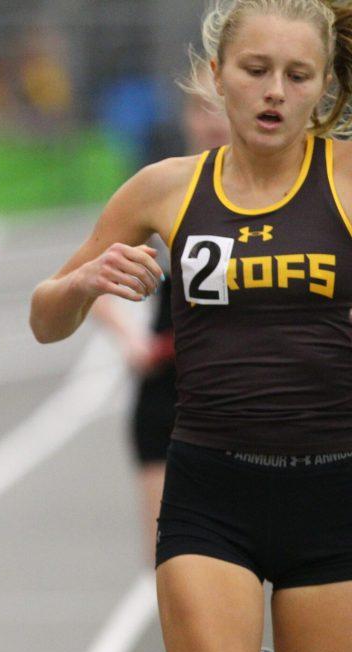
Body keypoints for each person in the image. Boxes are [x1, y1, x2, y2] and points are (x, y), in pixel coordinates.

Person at [29, 2, 352, 652]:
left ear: (323, 89)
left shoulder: (345, 183)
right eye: (255, 71)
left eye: (297, 75)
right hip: (212, 494)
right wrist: (83, 281)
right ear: (217, 78)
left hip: (333, 496)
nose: (274, 92)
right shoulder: (166, 191)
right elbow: (45, 318)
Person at [90, 78, 230, 560]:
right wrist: (130, 343)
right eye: (199, 109)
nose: (210, 121)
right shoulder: (158, 193)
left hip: (234, 391)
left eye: (219, 109)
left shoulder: (261, 201)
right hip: (164, 388)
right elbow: (94, 283)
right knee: (167, 554)